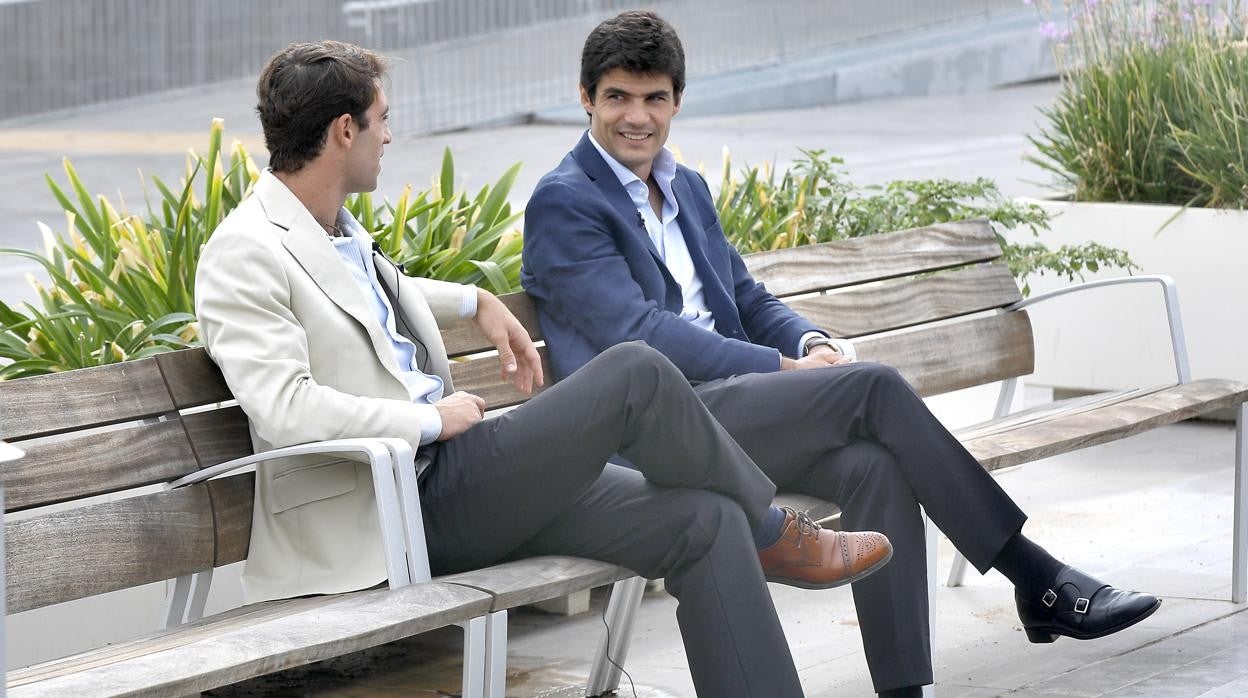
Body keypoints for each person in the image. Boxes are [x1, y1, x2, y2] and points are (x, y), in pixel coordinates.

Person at [194, 39, 894, 696]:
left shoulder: (337, 231)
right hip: (402, 504)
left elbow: (357, 298)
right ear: (344, 130)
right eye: (382, 120)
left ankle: (756, 539)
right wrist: (428, 418)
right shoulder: (247, 250)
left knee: (705, 519)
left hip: (464, 481)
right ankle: (776, 534)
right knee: (633, 373)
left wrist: (474, 301)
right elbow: (283, 409)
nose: (389, 136)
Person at [519, 11, 1162, 697]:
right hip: (656, 430)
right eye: (617, 96)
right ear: (586, 97)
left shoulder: (685, 188)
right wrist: (786, 370)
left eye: (653, 98)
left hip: (735, 420)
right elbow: (638, 332)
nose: (636, 117)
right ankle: (1037, 578)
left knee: (874, 465)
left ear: (677, 99)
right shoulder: (565, 203)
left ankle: (906, 690)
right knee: (872, 390)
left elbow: (746, 295)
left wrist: (807, 340)